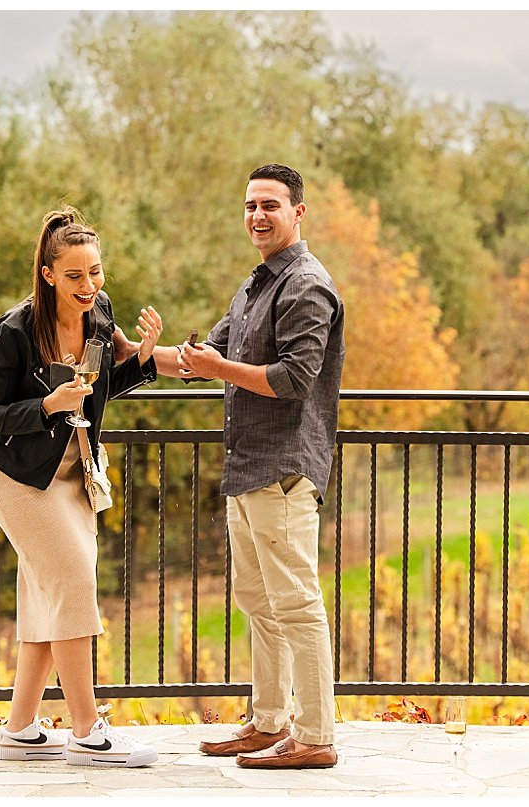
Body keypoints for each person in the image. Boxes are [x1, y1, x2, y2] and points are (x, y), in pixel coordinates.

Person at [117, 163, 344, 769]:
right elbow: (196, 361)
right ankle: (268, 721)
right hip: (246, 469)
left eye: (270, 205)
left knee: (296, 604)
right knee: (256, 600)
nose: (258, 215)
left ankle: (316, 737)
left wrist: (219, 370)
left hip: (285, 471)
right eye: (250, 205)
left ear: (298, 213)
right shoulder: (254, 287)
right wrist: (126, 348)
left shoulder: (306, 286)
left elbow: (295, 380)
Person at [0, 206, 163, 768]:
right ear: (49, 273)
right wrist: (46, 406)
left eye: (97, 273)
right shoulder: (13, 331)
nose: (91, 286)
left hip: (75, 472)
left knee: (46, 598)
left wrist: (147, 356)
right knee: (75, 586)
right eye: (77, 276)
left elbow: (108, 386)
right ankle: (86, 730)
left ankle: (20, 729)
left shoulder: (100, 314)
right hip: (19, 480)